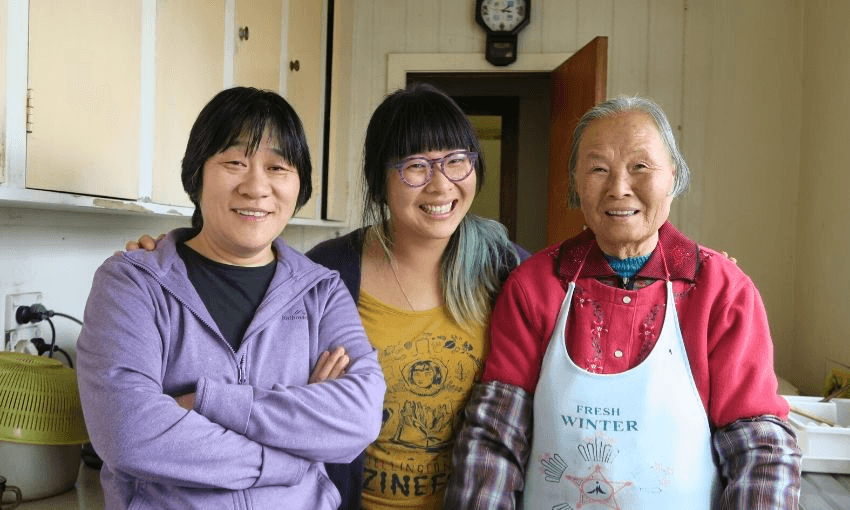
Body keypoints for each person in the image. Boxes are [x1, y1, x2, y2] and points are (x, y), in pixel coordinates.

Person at [127, 83, 529, 509]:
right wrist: (170, 253)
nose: (440, 185)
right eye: (415, 166)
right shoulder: (328, 273)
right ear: (379, 181)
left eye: (456, 161)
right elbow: (268, 390)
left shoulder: (508, 270)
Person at [444, 96, 801, 509]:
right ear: (576, 182)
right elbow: (493, 441)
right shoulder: (534, 286)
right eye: (598, 169)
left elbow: (760, 449)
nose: (618, 188)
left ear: (673, 176)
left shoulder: (722, 290)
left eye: (640, 167)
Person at [77, 86, 386, 510]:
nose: (257, 187)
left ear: (300, 184)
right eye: (235, 162)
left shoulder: (321, 290)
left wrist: (205, 402)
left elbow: (359, 416)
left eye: (277, 167)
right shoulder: (133, 283)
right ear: (197, 175)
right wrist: (293, 454)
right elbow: (129, 434)